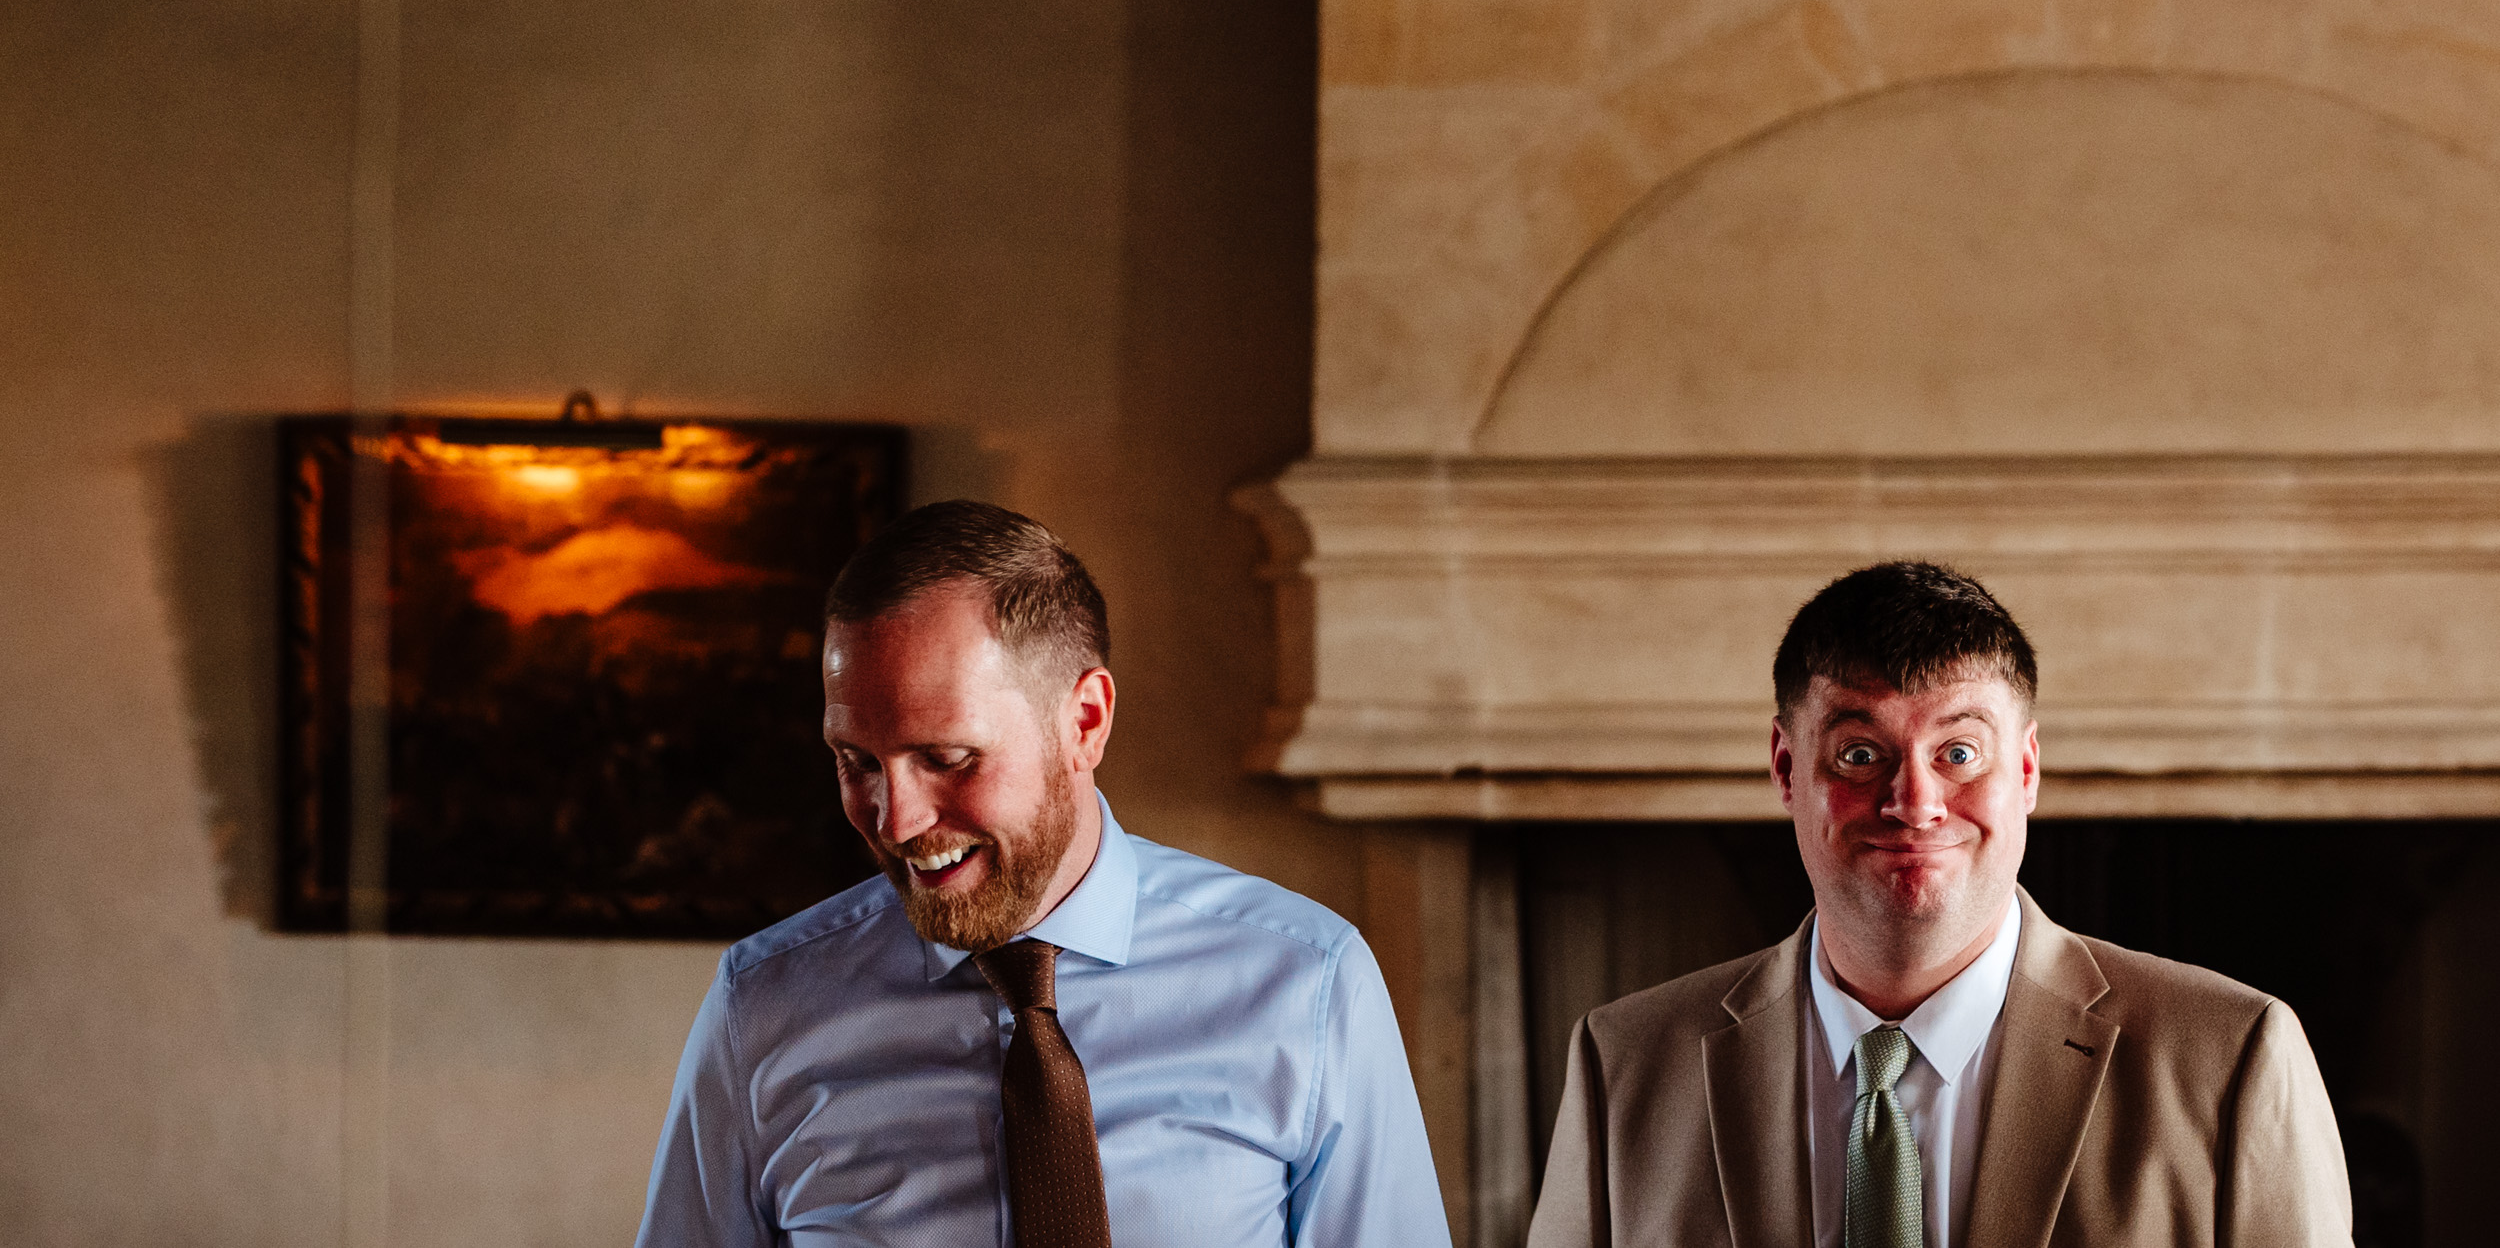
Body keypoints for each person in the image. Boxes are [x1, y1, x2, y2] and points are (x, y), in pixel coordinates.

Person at [636, 499, 1450, 1248]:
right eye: (856, 761)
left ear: (1085, 722)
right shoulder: (763, 1010)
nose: (896, 819)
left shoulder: (1305, 983)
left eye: (947, 758)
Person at [1527, 561, 2351, 1248]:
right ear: (1785, 767)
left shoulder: (2230, 1060)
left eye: (1959, 751)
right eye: (1858, 753)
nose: (1913, 800)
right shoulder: (1624, 1065)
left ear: (2026, 770)